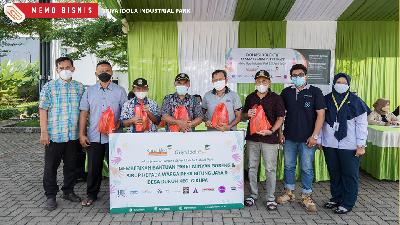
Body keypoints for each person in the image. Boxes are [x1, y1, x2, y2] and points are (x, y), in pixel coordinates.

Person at [277, 64, 326, 212]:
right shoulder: (286, 92)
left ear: (306, 76)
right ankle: (289, 193)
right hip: (289, 138)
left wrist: (315, 136)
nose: (297, 77)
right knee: (289, 166)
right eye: (294, 75)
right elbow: (280, 115)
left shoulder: (315, 92)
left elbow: (321, 115)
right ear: (291, 77)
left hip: (308, 139)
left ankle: (306, 196)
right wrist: (280, 133)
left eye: (300, 74)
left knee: (306, 168)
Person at [319, 73, 369, 214]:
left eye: (344, 82)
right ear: (334, 83)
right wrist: (320, 140)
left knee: (349, 174)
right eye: (338, 82)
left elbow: (361, 125)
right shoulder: (327, 99)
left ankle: (347, 202)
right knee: (334, 173)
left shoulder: (356, 101)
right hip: (330, 143)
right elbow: (321, 121)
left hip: (350, 145)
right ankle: (336, 198)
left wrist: (361, 145)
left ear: (348, 84)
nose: (341, 84)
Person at [79, 61, 127, 206]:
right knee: (94, 167)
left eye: (107, 70)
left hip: (114, 137)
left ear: (112, 72)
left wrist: (119, 123)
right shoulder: (89, 91)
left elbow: (125, 113)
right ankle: (91, 194)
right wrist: (82, 134)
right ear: (96, 74)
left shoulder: (120, 91)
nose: (104, 73)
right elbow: (83, 113)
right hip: (94, 136)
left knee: (117, 167)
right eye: (101, 71)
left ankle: (120, 194)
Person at [39, 56, 84, 211]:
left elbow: (84, 111)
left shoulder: (80, 87)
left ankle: (68, 191)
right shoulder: (49, 87)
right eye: (61, 68)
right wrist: (44, 132)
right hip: (54, 135)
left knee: (71, 166)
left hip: (72, 135)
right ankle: (50, 196)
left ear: (73, 68)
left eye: (67, 67)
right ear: (57, 70)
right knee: (51, 167)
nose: (65, 70)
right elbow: (43, 109)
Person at [242, 70, 285, 210]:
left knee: (270, 169)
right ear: (255, 82)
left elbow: (281, 118)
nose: (261, 84)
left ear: (269, 82)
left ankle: (270, 198)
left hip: (270, 139)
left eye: (264, 81)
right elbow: (243, 116)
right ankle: (253, 195)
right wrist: (247, 114)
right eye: (259, 81)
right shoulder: (250, 97)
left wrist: (272, 131)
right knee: (252, 167)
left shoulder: (276, 98)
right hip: (252, 139)